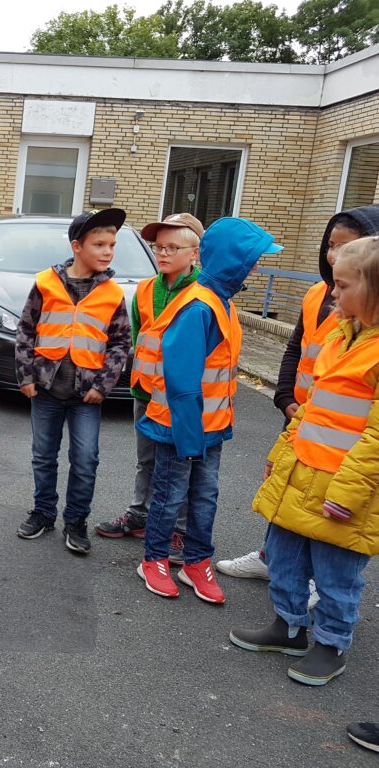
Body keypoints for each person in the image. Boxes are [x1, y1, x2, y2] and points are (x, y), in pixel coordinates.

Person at [230, 235, 379, 686]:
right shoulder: (340, 336)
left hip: (342, 489)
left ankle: (331, 644)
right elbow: (311, 409)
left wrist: (348, 492)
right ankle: (289, 626)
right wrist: (281, 455)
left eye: (343, 285)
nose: (333, 293)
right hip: (302, 474)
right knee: (285, 556)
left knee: (336, 574)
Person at [217, 206, 379, 583]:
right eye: (330, 245)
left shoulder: (358, 310)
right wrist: (285, 396)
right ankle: (271, 558)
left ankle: (318, 581)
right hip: (304, 414)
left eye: (345, 246)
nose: (333, 255)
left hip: (344, 435)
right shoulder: (317, 294)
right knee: (287, 495)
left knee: (331, 515)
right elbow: (296, 348)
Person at [136, 217, 282, 603]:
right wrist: (189, 439)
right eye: (253, 259)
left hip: (208, 426)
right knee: (170, 496)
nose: (257, 267)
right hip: (180, 429)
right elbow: (181, 383)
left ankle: (197, 560)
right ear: (234, 260)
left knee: (205, 496)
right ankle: (154, 559)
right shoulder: (200, 307)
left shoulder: (219, 302)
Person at [15, 209, 131, 554]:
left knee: (85, 459)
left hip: (86, 395)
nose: (108, 251)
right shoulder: (46, 283)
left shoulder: (112, 293)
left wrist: (102, 385)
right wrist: (26, 375)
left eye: (112, 244)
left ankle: (76, 521)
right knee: (43, 456)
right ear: (77, 246)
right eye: (100, 244)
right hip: (46, 389)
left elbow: (120, 343)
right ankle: (43, 512)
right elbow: (26, 330)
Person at [95, 212, 203, 565]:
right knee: (147, 460)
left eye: (173, 247)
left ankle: (179, 529)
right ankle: (140, 512)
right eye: (159, 247)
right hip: (145, 392)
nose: (163, 253)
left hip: (182, 399)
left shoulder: (203, 294)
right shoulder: (144, 289)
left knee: (182, 464)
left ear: (194, 253)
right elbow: (139, 339)